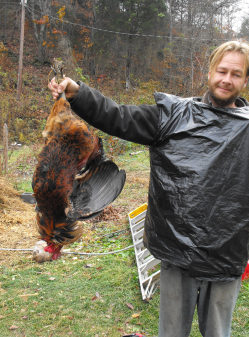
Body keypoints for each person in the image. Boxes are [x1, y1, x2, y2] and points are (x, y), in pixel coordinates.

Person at [48, 40, 249, 337]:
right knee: (171, 332)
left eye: (235, 74)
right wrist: (78, 93)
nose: (226, 79)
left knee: (219, 333)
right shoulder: (173, 116)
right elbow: (118, 117)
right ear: (210, 72)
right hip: (176, 253)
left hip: (226, 256)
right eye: (222, 71)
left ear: (245, 80)